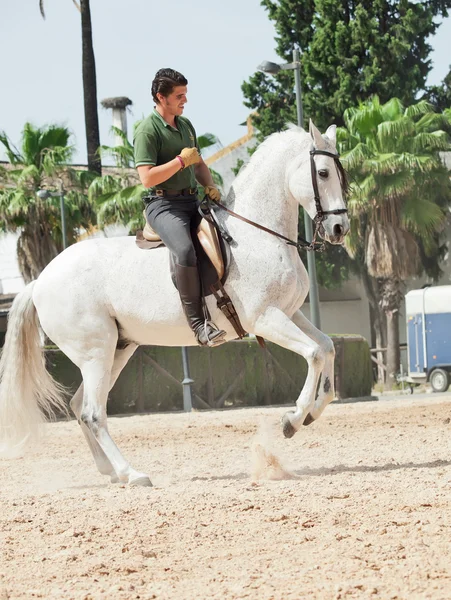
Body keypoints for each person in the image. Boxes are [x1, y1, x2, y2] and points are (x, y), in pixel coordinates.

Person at [134, 68, 226, 346]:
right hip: (163, 205)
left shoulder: (186, 126)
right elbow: (146, 177)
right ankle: (199, 325)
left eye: (185, 94)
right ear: (161, 97)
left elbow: (197, 163)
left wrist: (210, 185)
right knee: (185, 251)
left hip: (191, 200)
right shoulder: (147, 131)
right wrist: (179, 162)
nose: (184, 100)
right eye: (179, 96)